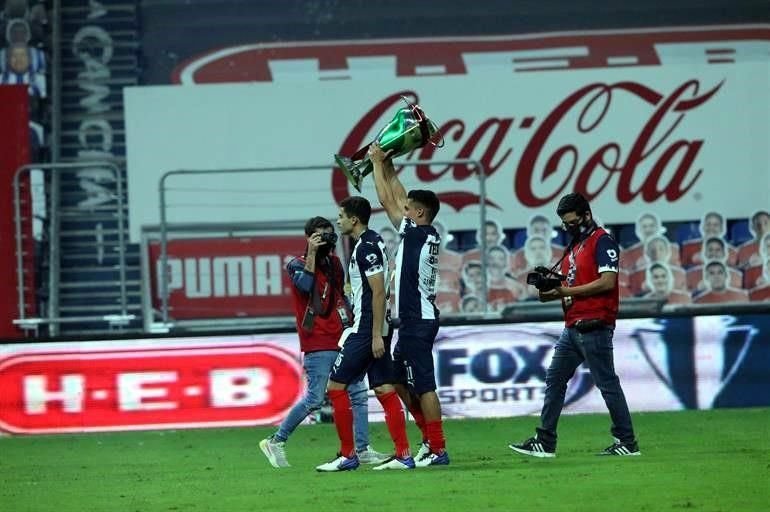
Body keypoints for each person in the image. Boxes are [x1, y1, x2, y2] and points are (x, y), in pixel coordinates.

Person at [509, 192, 640, 457]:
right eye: (565, 224)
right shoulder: (575, 247)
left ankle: (627, 442)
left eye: (572, 222)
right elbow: (567, 288)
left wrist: (565, 292)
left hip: (594, 324)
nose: (569, 228)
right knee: (555, 380)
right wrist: (551, 288)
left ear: (587, 215)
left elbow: (607, 282)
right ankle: (545, 441)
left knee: (606, 383)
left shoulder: (602, 242)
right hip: (573, 326)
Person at [259, 216, 387, 468]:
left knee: (359, 394)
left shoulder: (335, 263)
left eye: (330, 234)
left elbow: (340, 294)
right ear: (309, 238)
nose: (327, 239)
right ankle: (276, 441)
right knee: (315, 399)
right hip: (316, 341)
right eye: (320, 235)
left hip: (341, 337)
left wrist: (352, 323)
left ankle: (361, 449)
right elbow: (306, 287)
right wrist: (312, 255)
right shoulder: (296, 264)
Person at [316, 196, 415, 472]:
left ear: (353, 219)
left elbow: (379, 291)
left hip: (366, 329)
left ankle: (348, 455)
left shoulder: (367, 248)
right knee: (384, 388)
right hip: (376, 326)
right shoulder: (371, 242)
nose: (338, 221)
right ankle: (404, 455)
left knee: (335, 387)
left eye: (341, 216)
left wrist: (373, 336)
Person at [369, 143, 450, 467]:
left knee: (425, 384)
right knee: (398, 376)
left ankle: (438, 448)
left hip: (419, 321)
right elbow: (400, 197)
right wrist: (388, 164)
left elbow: (387, 200)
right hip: (413, 322)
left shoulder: (418, 235)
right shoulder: (421, 232)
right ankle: (428, 439)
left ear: (419, 214)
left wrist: (375, 164)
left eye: (409, 209)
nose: (403, 210)